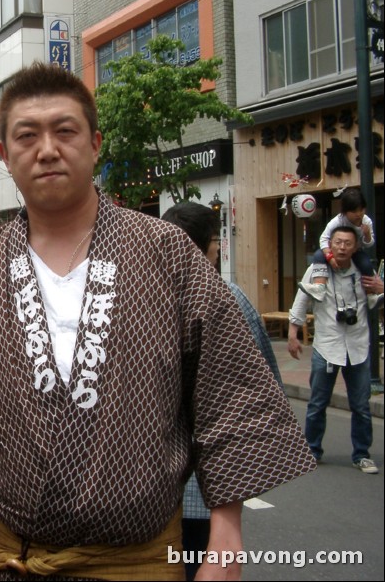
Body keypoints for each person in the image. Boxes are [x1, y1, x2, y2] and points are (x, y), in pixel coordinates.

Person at [0, 62, 315, 581]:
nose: (47, 149)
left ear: (95, 143)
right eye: (27, 136)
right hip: (16, 559)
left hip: (144, 560)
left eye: (65, 131)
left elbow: (227, 397)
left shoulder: (166, 252)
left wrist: (225, 541)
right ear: (4, 155)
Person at [161, 201, 285, 581]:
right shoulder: (228, 298)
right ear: (207, 245)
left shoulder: (138, 301)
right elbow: (264, 388)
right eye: (216, 240)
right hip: (211, 490)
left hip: (149, 492)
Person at [289, 226, 383, 475]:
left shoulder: (363, 272)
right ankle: (312, 450)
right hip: (327, 345)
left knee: (361, 405)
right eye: (338, 242)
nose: (342, 247)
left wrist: (381, 288)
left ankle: (361, 454)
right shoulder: (317, 270)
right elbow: (301, 301)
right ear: (330, 245)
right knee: (318, 403)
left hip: (358, 346)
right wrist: (292, 334)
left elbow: (378, 296)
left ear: (355, 247)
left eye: (348, 243)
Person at [298, 187, 376, 308]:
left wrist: (367, 235)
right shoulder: (338, 221)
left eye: (361, 210)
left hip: (356, 251)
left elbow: (369, 244)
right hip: (334, 252)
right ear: (345, 212)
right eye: (354, 211)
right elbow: (323, 239)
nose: (359, 214)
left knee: (366, 264)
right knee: (318, 255)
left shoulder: (367, 222)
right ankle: (319, 286)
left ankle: (371, 295)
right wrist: (330, 257)